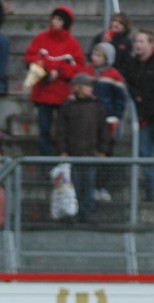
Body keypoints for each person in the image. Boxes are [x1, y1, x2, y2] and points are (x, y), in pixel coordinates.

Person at [23, 6, 84, 157]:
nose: (54, 22)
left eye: (59, 19)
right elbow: (30, 57)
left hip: (62, 95)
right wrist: (42, 68)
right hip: (43, 94)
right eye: (54, 18)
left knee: (63, 131)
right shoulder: (41, 38)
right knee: (44, 130)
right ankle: (46, 163)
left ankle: (61, 163)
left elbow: (78, 67)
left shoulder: (72, 44)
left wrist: (59, 72)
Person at [55, 73, 110, 224]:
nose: (90, 88)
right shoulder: (68, 106)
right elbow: (61, 130)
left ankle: (88, 212)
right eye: (88, 85)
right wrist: (63, 150)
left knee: (89, 185)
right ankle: (74, 213)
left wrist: (103, 150)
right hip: (73, 154)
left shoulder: (97, 105)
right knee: (75, 185)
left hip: (90, 153)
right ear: (78, 88)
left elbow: (103, 129)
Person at [84, 42, 126, 204]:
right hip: (88, 122)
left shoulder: (114, 76)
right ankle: (91, 188)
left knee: (105, 155)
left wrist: (116, 116)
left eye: (99, 55)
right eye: (94, 54)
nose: (95, 58)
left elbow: (120, 100)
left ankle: (103, 187)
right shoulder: (86, 73)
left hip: (107, 122)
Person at [126, 30, 154, 203]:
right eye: (136, 41)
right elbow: (130, 85)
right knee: (144, 154)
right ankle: (152, 191)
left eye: (142, 41)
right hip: (144, 119)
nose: (137, 44)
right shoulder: (132, 64)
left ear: (151, 44)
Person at [89, 12, 133, 79]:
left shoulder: (127, 42)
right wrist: (102, 44)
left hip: (117, 75)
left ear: (125, 27)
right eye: (114, 21)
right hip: (98, 73)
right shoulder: (101, 36)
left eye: (120, 23)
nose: (116, 24)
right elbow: (90, 54)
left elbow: (126, 62)